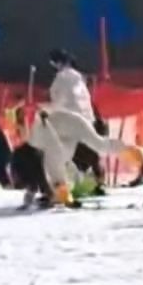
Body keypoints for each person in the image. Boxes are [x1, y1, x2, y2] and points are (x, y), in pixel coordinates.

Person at [12, 105, 143, 208]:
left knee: (99, 145)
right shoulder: (32, 135)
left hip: (75, 125)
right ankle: (59, 192)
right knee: (57, 161)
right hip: (65, 133)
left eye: (19, 129)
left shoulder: (37, 132)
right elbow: (54, 155)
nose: (18, 134)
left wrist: (61, 190)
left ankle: (136, 153)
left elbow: (54, 154)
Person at [48, 49, 106, 193]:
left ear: (57, 63)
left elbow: (58, 101)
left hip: (71, 121)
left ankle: (60, 190)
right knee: (90, 154)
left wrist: (48, 112)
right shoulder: (79, 78)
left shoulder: (62, 78)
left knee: (62, 155)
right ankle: (98, 182)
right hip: (88, 120)